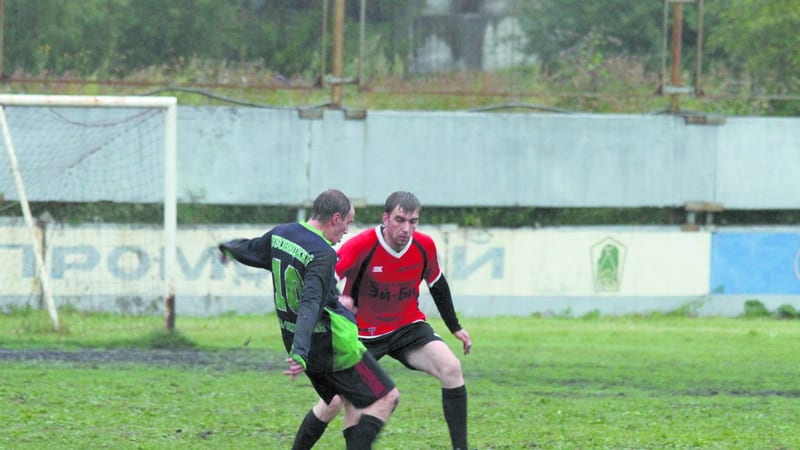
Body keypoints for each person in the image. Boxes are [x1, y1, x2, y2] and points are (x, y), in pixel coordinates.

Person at [218, 189, 400, 450]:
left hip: (303, 344)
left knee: (341, 400)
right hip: (334, 346)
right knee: (386, 398)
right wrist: (300, 352)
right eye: (347, 223)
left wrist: (228, 248)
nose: (347, 231)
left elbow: (252, 249)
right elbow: (310, 301)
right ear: (335, 218)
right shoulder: (322, 253)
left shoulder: (283, 234)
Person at [293, 191, 472, 450]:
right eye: (400, 220)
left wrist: (455, 327)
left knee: (451, 368)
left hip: (408, 328)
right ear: (385, 218)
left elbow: (437, 284)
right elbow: (324, 278)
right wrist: (336, 299)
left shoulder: (424, 246)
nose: (406, 228)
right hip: (361, 335)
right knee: (335, 402)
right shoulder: (361, 245)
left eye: (413, 221)